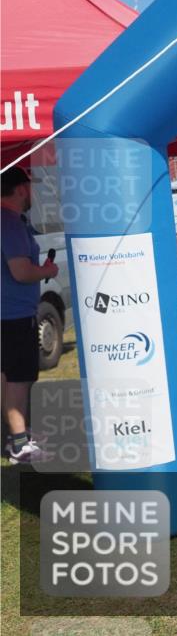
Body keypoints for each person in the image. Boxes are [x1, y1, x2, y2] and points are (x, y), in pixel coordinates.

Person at [1, 167, 57, 463]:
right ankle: (19, 444)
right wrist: (47, 270)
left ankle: (17, 434)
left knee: (7, 377)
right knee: (18, 381)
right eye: (30, 187)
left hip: (7, 314)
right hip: (14, 316)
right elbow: (21, 271)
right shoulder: (9, 223)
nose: (33, 193)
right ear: (21, 189)